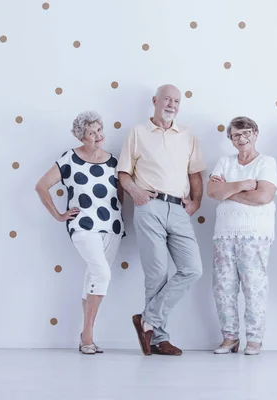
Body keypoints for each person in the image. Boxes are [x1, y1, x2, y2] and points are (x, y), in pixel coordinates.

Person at [118, 84, 205, 356]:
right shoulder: (137, 132)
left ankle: (147, 320)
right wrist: (135, 192)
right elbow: (123, 173)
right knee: (157, 273)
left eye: (177, 101)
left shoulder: (188, 135)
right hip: (149, 205)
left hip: (179, 209)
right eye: (167, 98)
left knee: (193, 269)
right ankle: (158, 339)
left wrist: (196, 203)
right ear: (155, 101)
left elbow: (195, 174)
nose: (172, 104)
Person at [35, 111, 124, 355]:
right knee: (101, 274)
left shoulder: (114, 162)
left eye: (99, 130)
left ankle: (86, 336)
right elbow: (41, 186)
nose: (98, 136)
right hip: (83, 225)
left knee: (93, 279)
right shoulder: (69, 159)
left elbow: (120, 195)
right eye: (91, 132)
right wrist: (58, 214)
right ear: (81, 137)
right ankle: (87, 337)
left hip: (113, 227)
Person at [207, 116, 277, 356]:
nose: (242, 138)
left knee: (254, 286)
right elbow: (212, 191)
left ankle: (255, 339)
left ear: (256, 133)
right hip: (224, 235)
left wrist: (227, 190)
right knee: (223, 287)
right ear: (231, 139)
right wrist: (242, 185)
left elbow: (263, 197)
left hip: (255, 235)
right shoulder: (224, 162)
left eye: (247, 132)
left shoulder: (266, 163)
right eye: (236, 135)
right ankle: (229, 338)